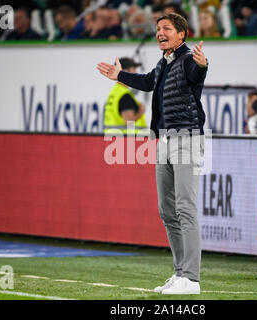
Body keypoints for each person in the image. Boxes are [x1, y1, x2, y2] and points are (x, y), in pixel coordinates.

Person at [97, 13, 208, 295]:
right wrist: (118, 75)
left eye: (166, 28)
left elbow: (197, 74)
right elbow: (147, 82)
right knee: (167, 210)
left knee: (185, 208)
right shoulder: (163, 63)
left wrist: (203, 65)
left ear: (182, 34)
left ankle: (192, 280)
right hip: (164, 141)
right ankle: (180, 273)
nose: (160, 32)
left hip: (186, 139)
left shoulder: (188, 60)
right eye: (158, 29)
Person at [103, 57, 147, 134]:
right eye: (133, 69)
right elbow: (128, 121)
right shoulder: (124, 95)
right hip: (126, 142)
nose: (136, 73)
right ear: (125, 71)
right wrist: (141, 110)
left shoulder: (115, 92)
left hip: (113, 140)